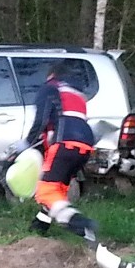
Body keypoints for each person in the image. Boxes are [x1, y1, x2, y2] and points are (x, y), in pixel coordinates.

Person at [13, 60, 98, 246]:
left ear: (51, 75)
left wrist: (25, 145)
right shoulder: (77, 95)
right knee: (58, 190)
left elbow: (42, 121)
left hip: (64, 143)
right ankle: (39, 227)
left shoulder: (49, 88)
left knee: (46, 191)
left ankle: (80, 223)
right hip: (84, 146)